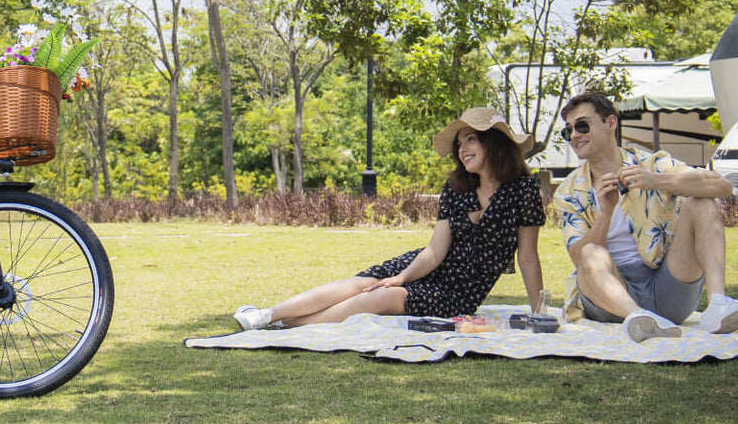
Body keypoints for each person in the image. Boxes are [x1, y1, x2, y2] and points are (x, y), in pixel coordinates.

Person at [233, 107, 546, 330]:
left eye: (470, 139)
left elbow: (528, 258)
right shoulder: (456, 188)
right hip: (423, 265)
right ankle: (266, 315)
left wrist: (538, 311)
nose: (462, 149)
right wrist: (404, 275)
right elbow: (435, 251)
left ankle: (286, 324)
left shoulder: (523, 190)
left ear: (494, 141)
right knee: (363, 284)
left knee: (380, 297)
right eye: (459, 142)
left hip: (457, 294)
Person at [552, 91, 738, 342]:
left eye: (582, 125)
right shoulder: (568, 191)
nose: (573, 136)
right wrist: (606, 212)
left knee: (700, 201)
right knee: (590, 252)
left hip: (667, 285)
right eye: (567, 130)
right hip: (609, 297)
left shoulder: (650, 164)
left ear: (611, 123)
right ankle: (639, 319)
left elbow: (721, 186)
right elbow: (577, 258)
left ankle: (718, 304)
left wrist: (657, 180)